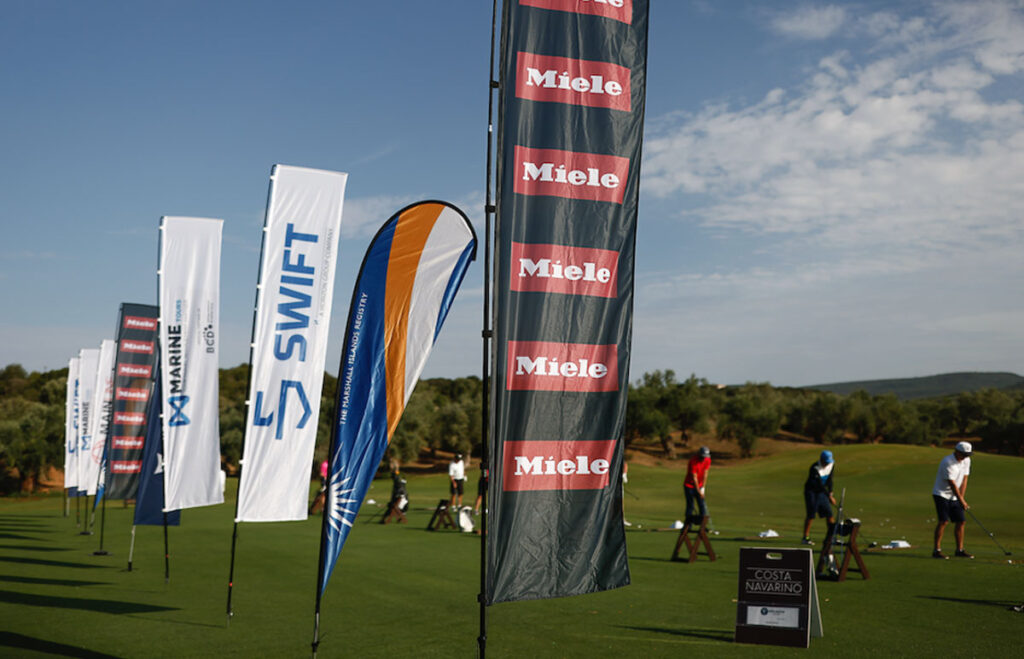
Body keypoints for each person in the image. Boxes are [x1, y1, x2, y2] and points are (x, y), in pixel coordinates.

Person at [932, 441, 973, 559]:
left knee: (961, 521)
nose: (966, 457)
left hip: (956, 496)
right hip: (941, 494)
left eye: (967, 455)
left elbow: (965, 479)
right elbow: (952, 484)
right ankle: (937, 550)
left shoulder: (966, 460)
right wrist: (962, 501)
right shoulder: (947, 462)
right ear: (957, 452)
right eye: (964, 454)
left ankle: (959, 550)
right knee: (943, 521)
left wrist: (962, 498)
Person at [802, 450, 837, 545]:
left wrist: (830, 492)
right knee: (811, 514)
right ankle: (805, 537)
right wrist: (829, 496)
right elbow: (819, 485)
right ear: (821, 459)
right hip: (811, 492)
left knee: (829, 513)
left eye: (828, 462)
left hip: (822, 492)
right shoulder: (814, 468)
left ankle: (832, 537)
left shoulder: (831, 465)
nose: (826, 464)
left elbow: (830, 480)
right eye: (825, 462)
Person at [683, 447, 711, 523]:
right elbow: (694, 477)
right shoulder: (693, 461)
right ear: (699, 454)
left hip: (700, 485)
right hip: (689, 486)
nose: (703, 458)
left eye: (705, 457)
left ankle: (703, 526)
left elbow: (705, 474)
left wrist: (703, 488)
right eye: (702, 456)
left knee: (702, 505)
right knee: (690, 506)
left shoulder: (707, 460)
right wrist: (699, 491)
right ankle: (688, 526)